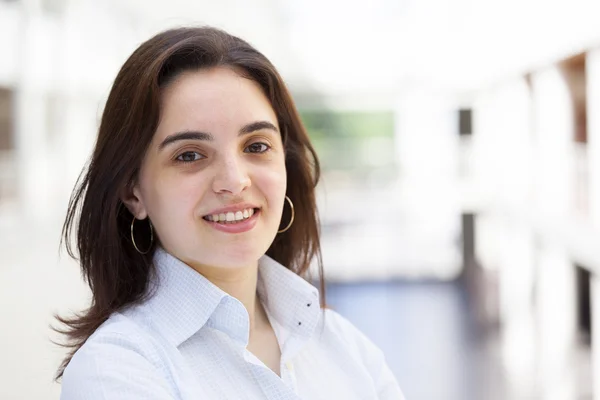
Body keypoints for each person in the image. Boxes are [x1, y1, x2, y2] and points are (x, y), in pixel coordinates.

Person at [56, 26, 405, 400]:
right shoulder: (115, 371)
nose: (235, 181)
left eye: (256, 146)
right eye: (189, 155)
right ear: (132, 192)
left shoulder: (343, 346)